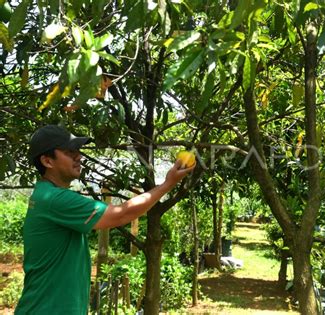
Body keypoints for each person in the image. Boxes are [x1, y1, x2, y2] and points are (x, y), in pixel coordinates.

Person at [14, 124, 194, 314]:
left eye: (78, 150)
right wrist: (168, 184)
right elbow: (122, 214)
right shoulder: (55, 200)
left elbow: (115, 210)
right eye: (69, 151)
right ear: (47, 161)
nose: (78, 156)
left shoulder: (48, 196)